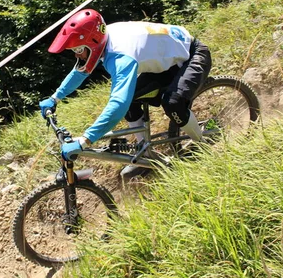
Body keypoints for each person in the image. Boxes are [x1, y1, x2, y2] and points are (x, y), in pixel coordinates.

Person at [39, 9, 212, 177]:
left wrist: (86, 140)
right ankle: (146, 154)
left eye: (78, 50)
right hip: (168, 61)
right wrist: (55, 97)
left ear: (92, 43)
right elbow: (81, 71)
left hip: (193, 55)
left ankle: (204, 145)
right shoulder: (103, 36)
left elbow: (118, 104)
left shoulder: (121, 56)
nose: (77, 55)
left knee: (173, 103)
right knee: (132, 99)